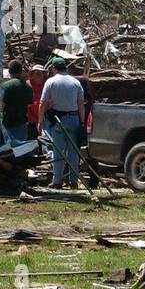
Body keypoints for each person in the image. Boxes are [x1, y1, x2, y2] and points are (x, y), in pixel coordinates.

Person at [38, 56, 85, 189]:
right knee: (73, 152)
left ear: (53, 68)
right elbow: (81, 104)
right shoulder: (75, 82)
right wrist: (82, 121)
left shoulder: (51, 82)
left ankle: (57, 181)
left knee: (59, 151)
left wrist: (40, 120)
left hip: (58, 120)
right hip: (74, 118)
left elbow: (43, 103)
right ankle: (73, 181)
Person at [1, 60, 33, 145]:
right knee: (22, 150)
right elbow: (29, 104)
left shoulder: (6, 86)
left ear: (9, 71)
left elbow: (1, 105)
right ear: (21, 71)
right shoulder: (28, 87)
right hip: (22, 123)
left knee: (10, 151)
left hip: (9, 124)